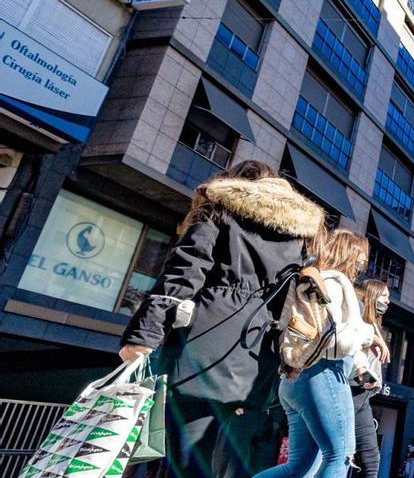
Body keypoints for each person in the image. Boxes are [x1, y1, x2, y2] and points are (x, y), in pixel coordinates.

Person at [119, 161, 325, 477]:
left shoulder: (219, 210)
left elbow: (183, 275)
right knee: (231, 461)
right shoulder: (300, 235)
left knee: (185, 460)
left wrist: (143, 336)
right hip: (258, 357)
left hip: (203, 348)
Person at [257, 230, 384, 478]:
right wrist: (370, 336)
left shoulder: (320, 279)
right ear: (351, 253)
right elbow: (333, 340)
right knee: (340, 456)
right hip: (323, 374)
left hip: (297, 380)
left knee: (299, 466)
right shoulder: (336, 282)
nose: (363, 263)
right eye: (362, 255)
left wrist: (360, 366)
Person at [351, 279, 392, 477]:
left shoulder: (374, 325)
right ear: (373, 296)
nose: (388, 301)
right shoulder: (358, 319)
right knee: (367, 459)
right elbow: (348, 352)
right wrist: (363, 375)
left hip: (361, 395)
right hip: (352, 393)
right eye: (385, 296)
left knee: (368, 458)